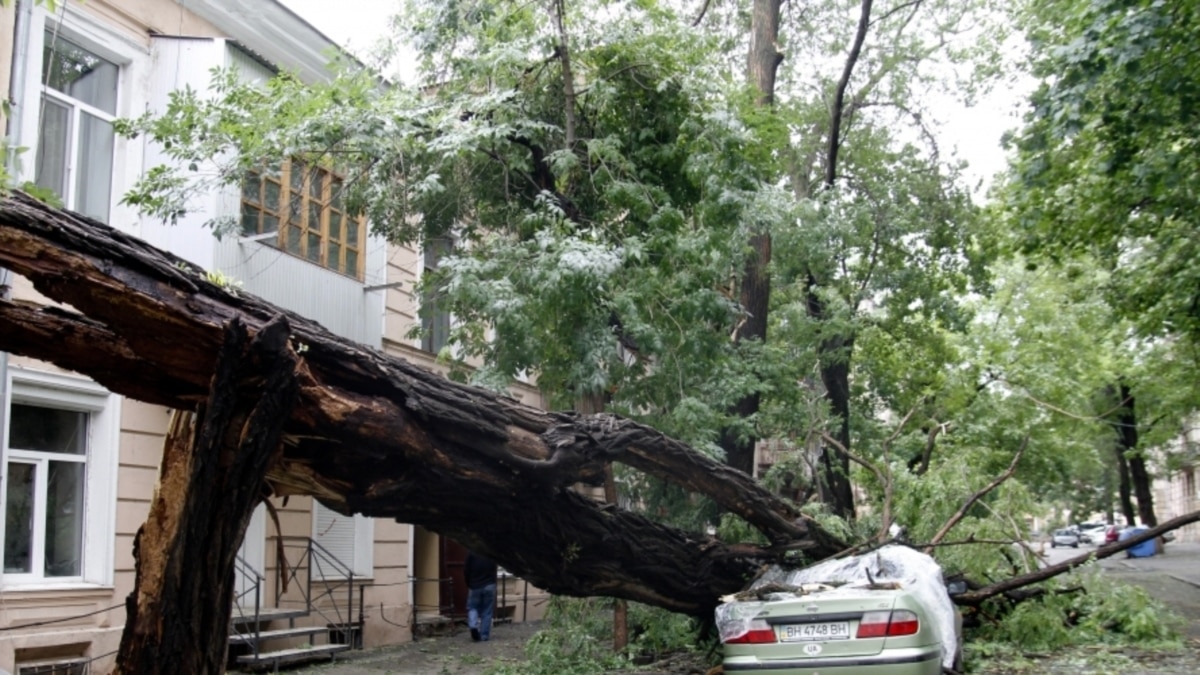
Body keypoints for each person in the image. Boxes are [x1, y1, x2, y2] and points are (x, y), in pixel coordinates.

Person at [464, 550, 498, 642]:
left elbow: (466, 570)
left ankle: (473, 625)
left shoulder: (471, 553)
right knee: (487, 611)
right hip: (489, 585)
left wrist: (469, 583)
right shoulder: (491, 554)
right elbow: (494, 569)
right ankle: (484, 635)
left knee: (472, 607)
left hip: (475, 585)